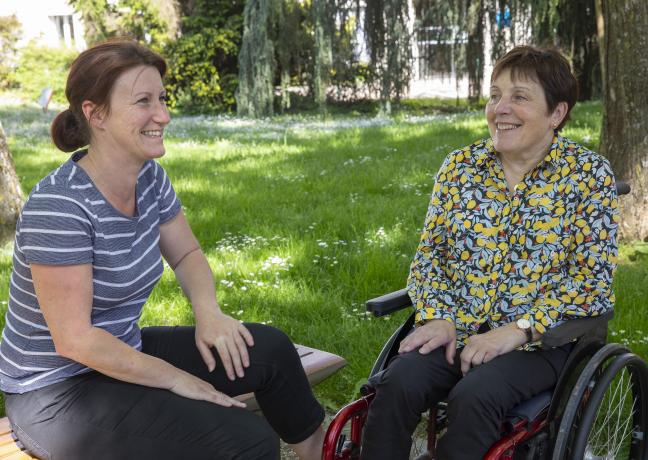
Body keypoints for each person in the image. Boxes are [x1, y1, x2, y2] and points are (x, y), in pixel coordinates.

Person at [0, 38, 325, 460]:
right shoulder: (61, 206)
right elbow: (75, 341)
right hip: (55, 393)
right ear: (95, 114)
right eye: (143, 102)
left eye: (162, 99)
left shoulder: (149, 177)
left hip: (121, 351)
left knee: (272, 353)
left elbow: (187, 254)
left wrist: (209, 314)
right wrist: (175, 378)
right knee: (247, 442)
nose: (164, 115)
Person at [360, 45, 619, 459]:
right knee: (397, 383)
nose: (500, 108)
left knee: (475, 396)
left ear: (557, 113)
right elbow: (430, 257)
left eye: (519, 97)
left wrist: (519, 329)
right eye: (495, 94)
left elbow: (591, 281)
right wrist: (439, 316)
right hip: (459, 325)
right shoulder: (460, 167)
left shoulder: (587, 176)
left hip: (544, 341)